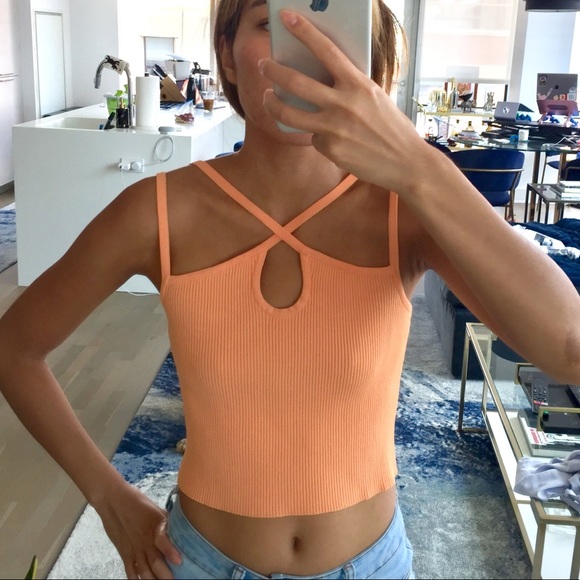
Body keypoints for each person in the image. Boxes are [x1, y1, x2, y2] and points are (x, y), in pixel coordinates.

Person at [1, 0, 580, 578]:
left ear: (371, 61)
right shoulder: (156, 212)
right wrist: (109, 499)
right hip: (200, 563)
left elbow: (568, 349)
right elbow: (13, 349)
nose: (306, 50)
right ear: (227, 56)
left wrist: (421, 166)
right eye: (271, 22)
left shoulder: (405, 210)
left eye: (335, 27)